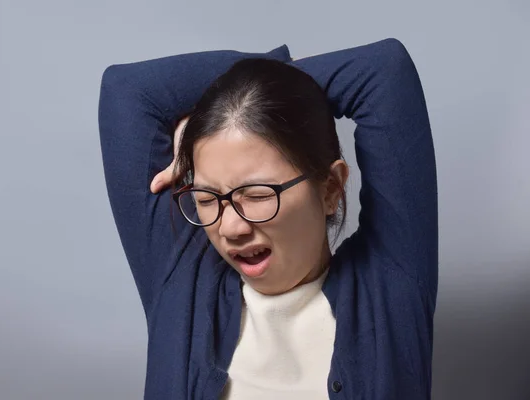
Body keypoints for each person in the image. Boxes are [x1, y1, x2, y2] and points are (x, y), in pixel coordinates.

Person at [98, 38, 438, 399]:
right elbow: (126, 89)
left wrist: (259, 87)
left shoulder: (390, 283)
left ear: (330, 189)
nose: (230, 228)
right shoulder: (182, 279)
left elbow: (384, 70)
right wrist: (237, 94)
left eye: (259, 195)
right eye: (207, 197)